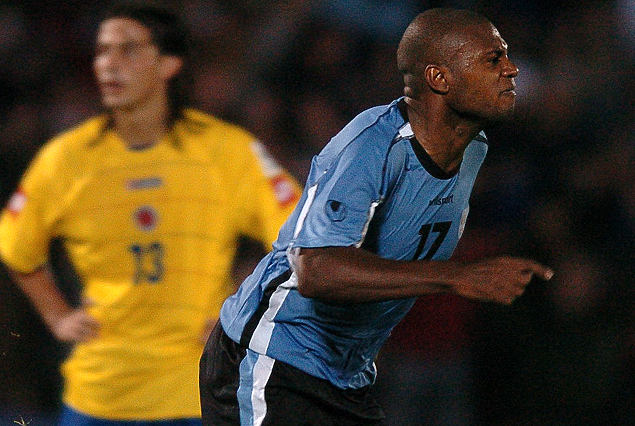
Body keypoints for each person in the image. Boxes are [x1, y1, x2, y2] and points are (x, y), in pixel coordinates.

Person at [199, 8, 554, 426]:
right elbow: (316, 270)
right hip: (272, 359)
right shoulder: (374, 145)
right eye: (493, 59)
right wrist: (455, 276)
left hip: (346, 378)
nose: (511, 69)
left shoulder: (474, 149)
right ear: (439, 78)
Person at [0, 3, 301, 426]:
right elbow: (14, 245)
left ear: (168, 64)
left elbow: (302, 234)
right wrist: (57, 316)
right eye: (102, 51)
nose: (109, 63)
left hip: (195, 392)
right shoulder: (66, 159)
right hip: (101, 393)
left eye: (128, 49)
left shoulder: (227, 153)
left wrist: (246, 311)